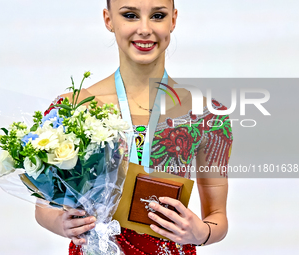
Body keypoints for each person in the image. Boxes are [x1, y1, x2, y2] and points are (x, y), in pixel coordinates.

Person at [35, 0, 233, 254]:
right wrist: (61, 223)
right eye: (130, 15)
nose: (144, 29)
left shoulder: (206, 115)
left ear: (173, 20)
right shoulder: (72, 109)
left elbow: (217, 216)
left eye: (157, 16)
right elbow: (43, 206)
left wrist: (201, 232)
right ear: (108, 20)